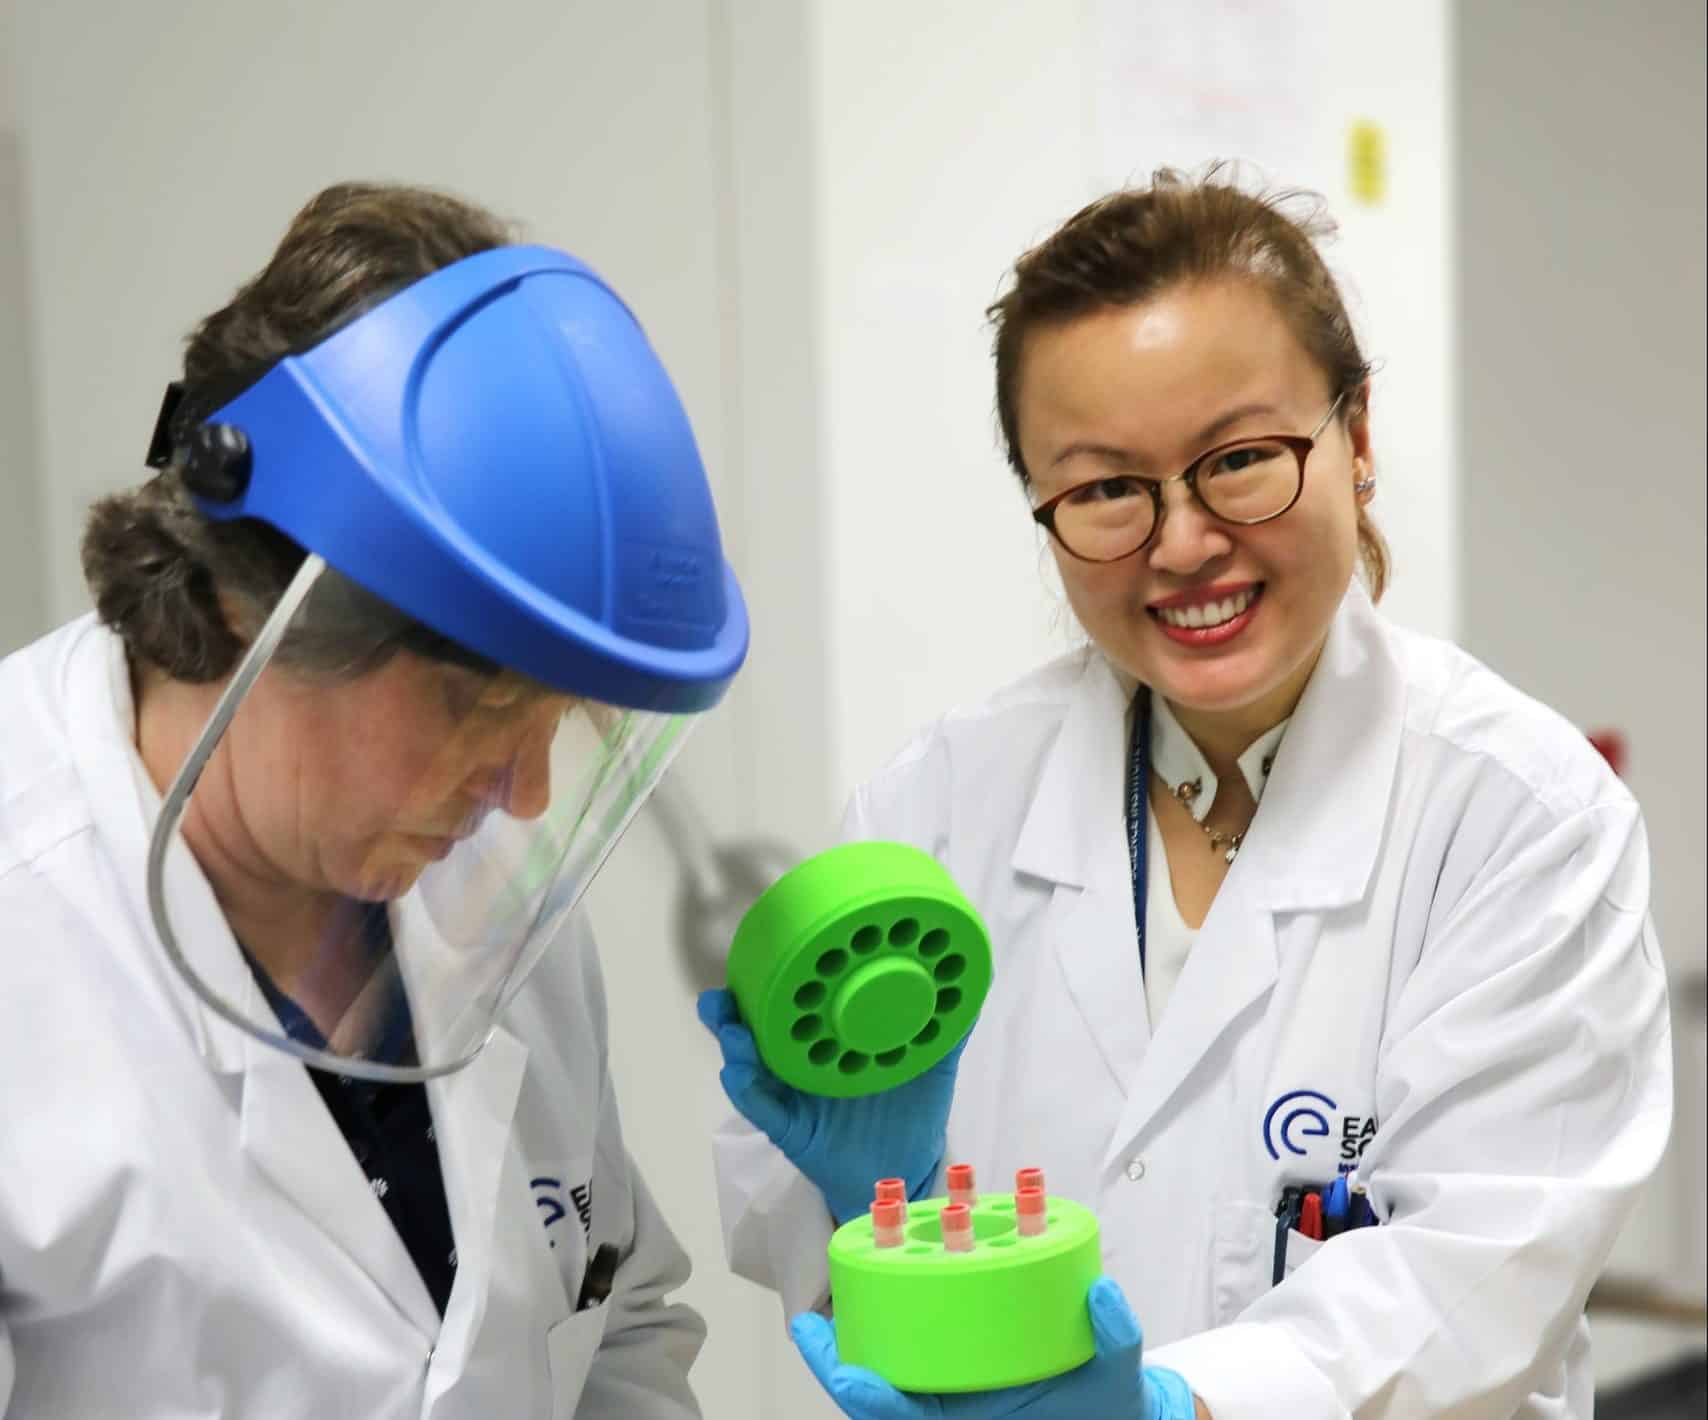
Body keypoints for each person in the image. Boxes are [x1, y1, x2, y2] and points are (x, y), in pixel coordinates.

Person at [702, 169, 1672, 1418]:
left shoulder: (1518, 821)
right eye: (1107, 488)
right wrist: (868, 1203)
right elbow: (784, 1227)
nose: (1181, 542)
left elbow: (1482, 1272)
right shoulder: (937, 806)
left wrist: (1165, 1407)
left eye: (1239, 460)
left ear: (1356, 439)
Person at [0, 182, 748, 1418]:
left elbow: (612, 1320)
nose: (524, 792)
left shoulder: (469, 891)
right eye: (476, 707)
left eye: (560, 721)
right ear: (256, 599)